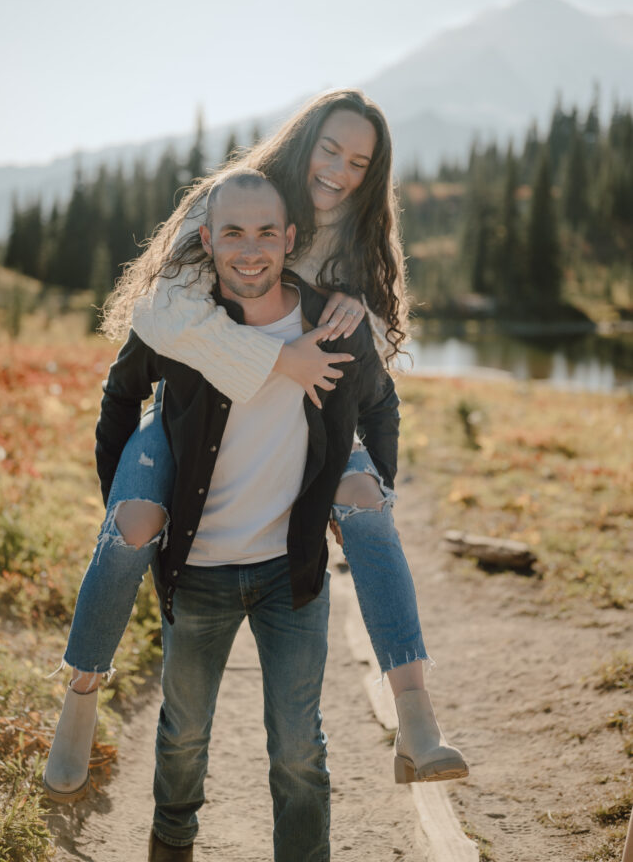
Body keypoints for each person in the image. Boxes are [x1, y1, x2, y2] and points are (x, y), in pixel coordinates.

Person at [44, 88, 467, 807]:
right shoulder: (234, 200)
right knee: (133, 522)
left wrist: (356, 312)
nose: (337, 170)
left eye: (358, 161)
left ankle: (415, 715)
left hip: (305, 422)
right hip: (194, 415)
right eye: (329, 148)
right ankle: (80, 696)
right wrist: (276, 361)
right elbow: (157, 309)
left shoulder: (361, 240)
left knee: (367, 501)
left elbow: (376, 362)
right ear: (305, 139)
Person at [95, 169, 399, 860]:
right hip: (195, 570)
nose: (250, 248)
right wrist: (125, 506)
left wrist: (366, 500)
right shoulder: (186, 326)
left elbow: (380, 404)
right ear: (207, 240)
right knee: (183, 732)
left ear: (290, 239)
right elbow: (119, 397)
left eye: (266, 232)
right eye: (232, 232)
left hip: (289, 575)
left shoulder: (330, 319)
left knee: (298, 745)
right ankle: (171, 842)